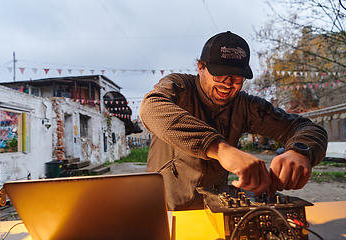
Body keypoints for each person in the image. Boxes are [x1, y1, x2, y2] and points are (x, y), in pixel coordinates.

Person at [139, 31, 328, 211]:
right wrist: (221, 150)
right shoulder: (179, 88)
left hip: (215, 210)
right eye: (220, 73)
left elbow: (306, 128)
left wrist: (300, 151)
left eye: (237, 76)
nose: (228, 83)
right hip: (165, 210)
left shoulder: (245, 106)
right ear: (200, 67)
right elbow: (150, 107)